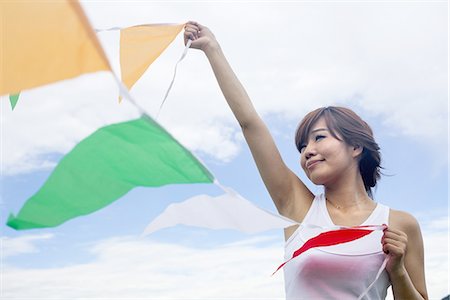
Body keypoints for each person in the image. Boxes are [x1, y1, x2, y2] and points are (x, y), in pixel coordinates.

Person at [183, 21, 428, 300]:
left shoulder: (399, 224)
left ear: (356, 146)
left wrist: (398, 272)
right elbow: (250, 123)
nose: (307, 151)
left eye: (319, 138)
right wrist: (212, 49)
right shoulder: (297, 208)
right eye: (302, 145)